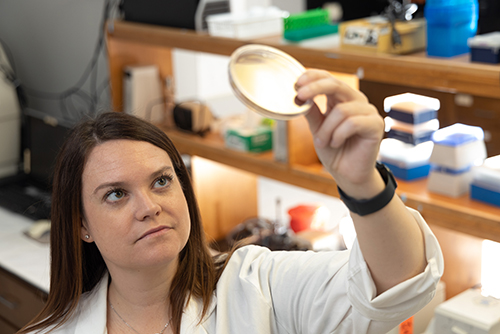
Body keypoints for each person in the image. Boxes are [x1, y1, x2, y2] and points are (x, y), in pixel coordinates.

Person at [19, 69, 443, 334]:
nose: (148, 206)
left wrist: (362, 183)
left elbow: (399, 284)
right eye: (115, 194)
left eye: (162, 180)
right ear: (81, 225)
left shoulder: (258, 285)